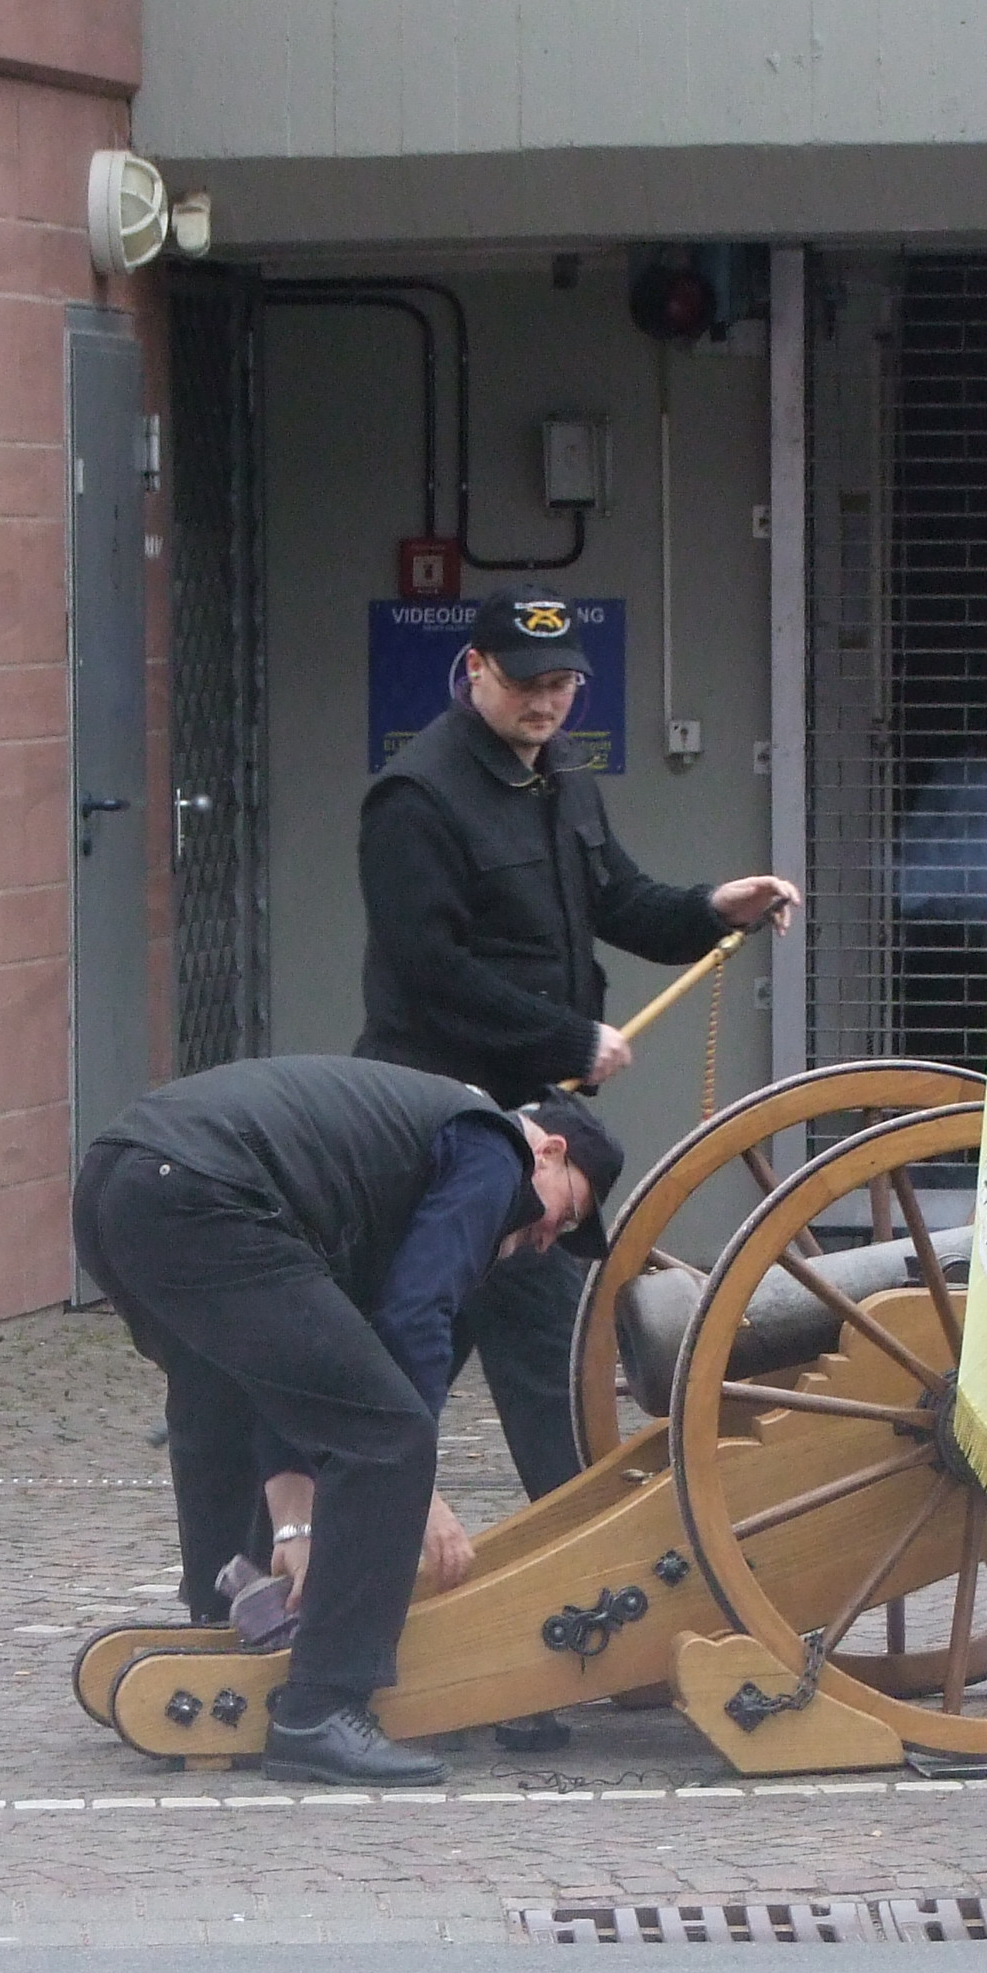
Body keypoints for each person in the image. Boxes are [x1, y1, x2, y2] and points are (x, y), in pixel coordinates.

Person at [354, 588, 797, 1747]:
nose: (547, 701)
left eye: (563, 685)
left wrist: (713, 907)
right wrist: (565, 1041)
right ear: (474, 671)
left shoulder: (567, 783)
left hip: (534, 1138)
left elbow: (619, 906)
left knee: (548, 1385)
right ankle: (345, 1606)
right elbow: (427, 971)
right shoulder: (415, 798)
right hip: (445, 1127)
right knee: (399, 1381)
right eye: (526, 681)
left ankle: (536, 1648)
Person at [75, 1056, 621, 1788]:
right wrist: (418, 1488)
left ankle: (229, 1623)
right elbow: (418, 1311)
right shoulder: (498, 1152)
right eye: (569, 1213)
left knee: (225, 1391)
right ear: (549, 1152)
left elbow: (291, 1382)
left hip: (120, 1182)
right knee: (389, 1434)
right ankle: (322, 1708)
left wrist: (297, 1531)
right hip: (203, 1191)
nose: (549, 1238)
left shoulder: (405, 1157)